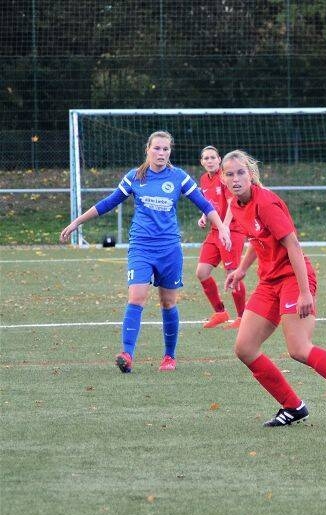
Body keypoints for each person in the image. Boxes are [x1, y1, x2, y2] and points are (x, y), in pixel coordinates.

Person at [221, 150, 326, 429]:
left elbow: (293, 244)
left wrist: (305, 292)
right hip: (269, 282)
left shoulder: (265, 202)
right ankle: (292, 406)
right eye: (230, 174)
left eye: (241, 172)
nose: (236, 179)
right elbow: (257, 239)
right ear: (223, 178)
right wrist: (242, 269)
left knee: (299, 348)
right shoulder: (235, 204)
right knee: (245, 348)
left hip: (294, 278)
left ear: (251, 174)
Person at [59, 131, 231, 373]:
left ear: (170, 152)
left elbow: (205, 204)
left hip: (169, 249)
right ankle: (127, 354)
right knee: (136, 297)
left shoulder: (179, 177)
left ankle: (169, 356)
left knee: (168, 302)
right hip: (141, 247)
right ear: (147, 149)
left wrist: (222, 227)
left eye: (165, 149)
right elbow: (109, 202)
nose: (161, 153)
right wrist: (77, 222)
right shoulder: (135, 177)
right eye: (157, 148)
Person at [196, 146, 247, 329]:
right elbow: (208, 203)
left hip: (232, 230)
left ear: (219, 160)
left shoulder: (225, 177)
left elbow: (232, 203)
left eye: (213, 157)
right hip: (215, 231)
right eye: (206, 158)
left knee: (232, 274)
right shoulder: (204, 179)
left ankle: (242, 317)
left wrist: (224, 227)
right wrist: (204, 216)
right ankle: (220, 313)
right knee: (202, 272)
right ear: (202, 162)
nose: (209, 161)